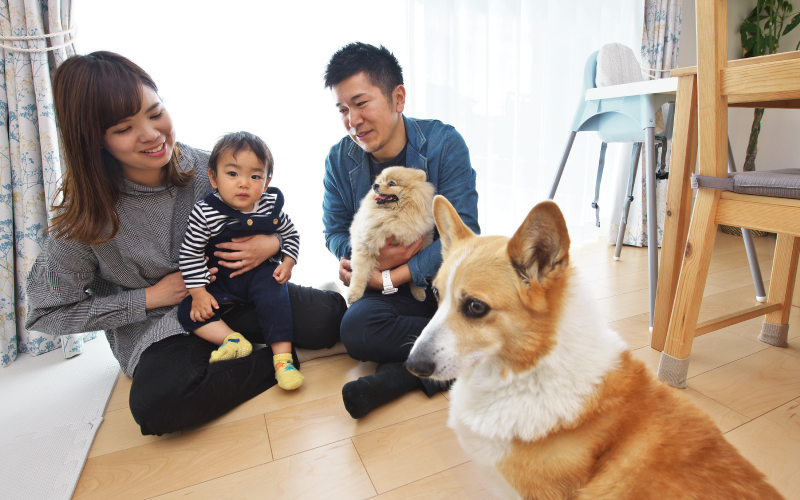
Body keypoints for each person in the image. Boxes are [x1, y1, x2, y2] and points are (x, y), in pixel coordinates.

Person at [25, 52, 345, 435]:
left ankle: (247, 347)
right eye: (125, 128)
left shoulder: (208, 169)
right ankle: (275, 359)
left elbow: (268, 218)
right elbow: (47, 313)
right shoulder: (83, 218)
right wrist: (150, 297)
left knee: (330, 318)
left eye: (155, 112)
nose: (151, 134)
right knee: (157, 407)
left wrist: (271, 242)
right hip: (159, 328)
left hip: (232, 297)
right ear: (95, 141)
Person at [322, 42, 480, 419]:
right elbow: (333, 231)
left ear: (398, 97)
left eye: (361, 104)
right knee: (356, 330)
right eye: (343, 110)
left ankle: (397, 379)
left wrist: (393, 276)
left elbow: (465, 229)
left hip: (438, 279)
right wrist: (356, 258)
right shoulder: (338, 159)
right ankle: (471, 349)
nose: (352, 120)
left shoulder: (443, 144)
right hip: (388, 281)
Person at [177, 131, 304, 390]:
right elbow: (190, 253)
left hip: (260, 278)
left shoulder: (270, 206)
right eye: (233, 174)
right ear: (213, 177)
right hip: (220, 283)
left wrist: (288, 262)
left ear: (266, 182)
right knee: (187, 311)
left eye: (255, 176)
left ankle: (282, 360)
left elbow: (291, 234)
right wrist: (199, 292)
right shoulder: (205, 212)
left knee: (276, 298)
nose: (244, 183)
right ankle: (232, 341)